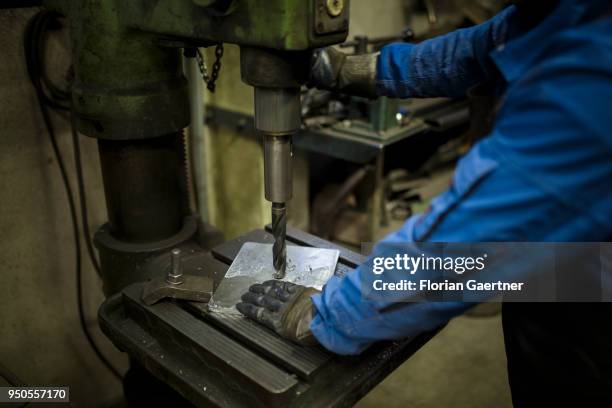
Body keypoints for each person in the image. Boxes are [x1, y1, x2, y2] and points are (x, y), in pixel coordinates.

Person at [237, 1, 612, 405]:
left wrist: (325, 316)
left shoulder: (596, 65)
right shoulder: (559, 13)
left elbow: (462, 249)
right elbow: (475, 50)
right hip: (558, 278)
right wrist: (353, 69)